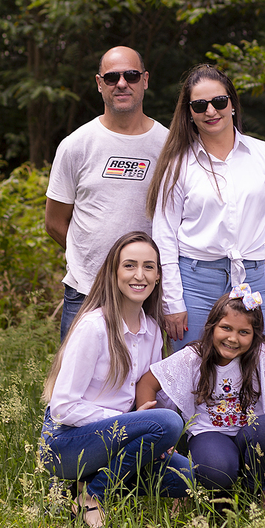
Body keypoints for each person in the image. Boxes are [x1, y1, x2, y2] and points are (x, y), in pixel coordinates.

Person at [147, 64, 265, 356]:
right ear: (189, 113)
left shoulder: (263, 155)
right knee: (192, 375)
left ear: (233, 104)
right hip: (195, 282)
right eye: (200, 105)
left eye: (219, 102)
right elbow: (164, 236)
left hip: (251, 278)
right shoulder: (177, 164)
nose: (211, 111)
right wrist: (173, 302)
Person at [40, 231, 192, 528]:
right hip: (67, 444)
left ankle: (87, 484)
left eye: (149, 266)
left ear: (159, 276)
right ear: (114, 272)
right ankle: (93, 496)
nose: (140, 275)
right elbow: (62, 407)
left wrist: (160, 438)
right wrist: (131, 421)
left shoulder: (152, 331)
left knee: (191, 477)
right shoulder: (94, 327)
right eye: (130, 265)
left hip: (118, 439)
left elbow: (154, 400)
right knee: (167, 424)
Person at [136, 285, 265, 501]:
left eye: (244, 332)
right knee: (217, 470)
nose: (233, 338)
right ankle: (221, 490)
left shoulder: (264, 357)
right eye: (226, 328)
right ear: (212, 327)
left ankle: (255, 489)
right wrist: (156, 433)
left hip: (252, 432)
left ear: (255, 335)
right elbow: (147, 383)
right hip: (208, 434)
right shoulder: (193, 357)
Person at [45, 47, 169, 340]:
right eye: (112, 77)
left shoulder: (168, 145)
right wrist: (94, 262)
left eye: (131, 75)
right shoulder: (76, 145)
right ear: (100, 83)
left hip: (146, 293)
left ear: (145, 80)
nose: (122, 83)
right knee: (76, 382)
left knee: (142, 383)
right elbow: (54, 222)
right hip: (87, 291)